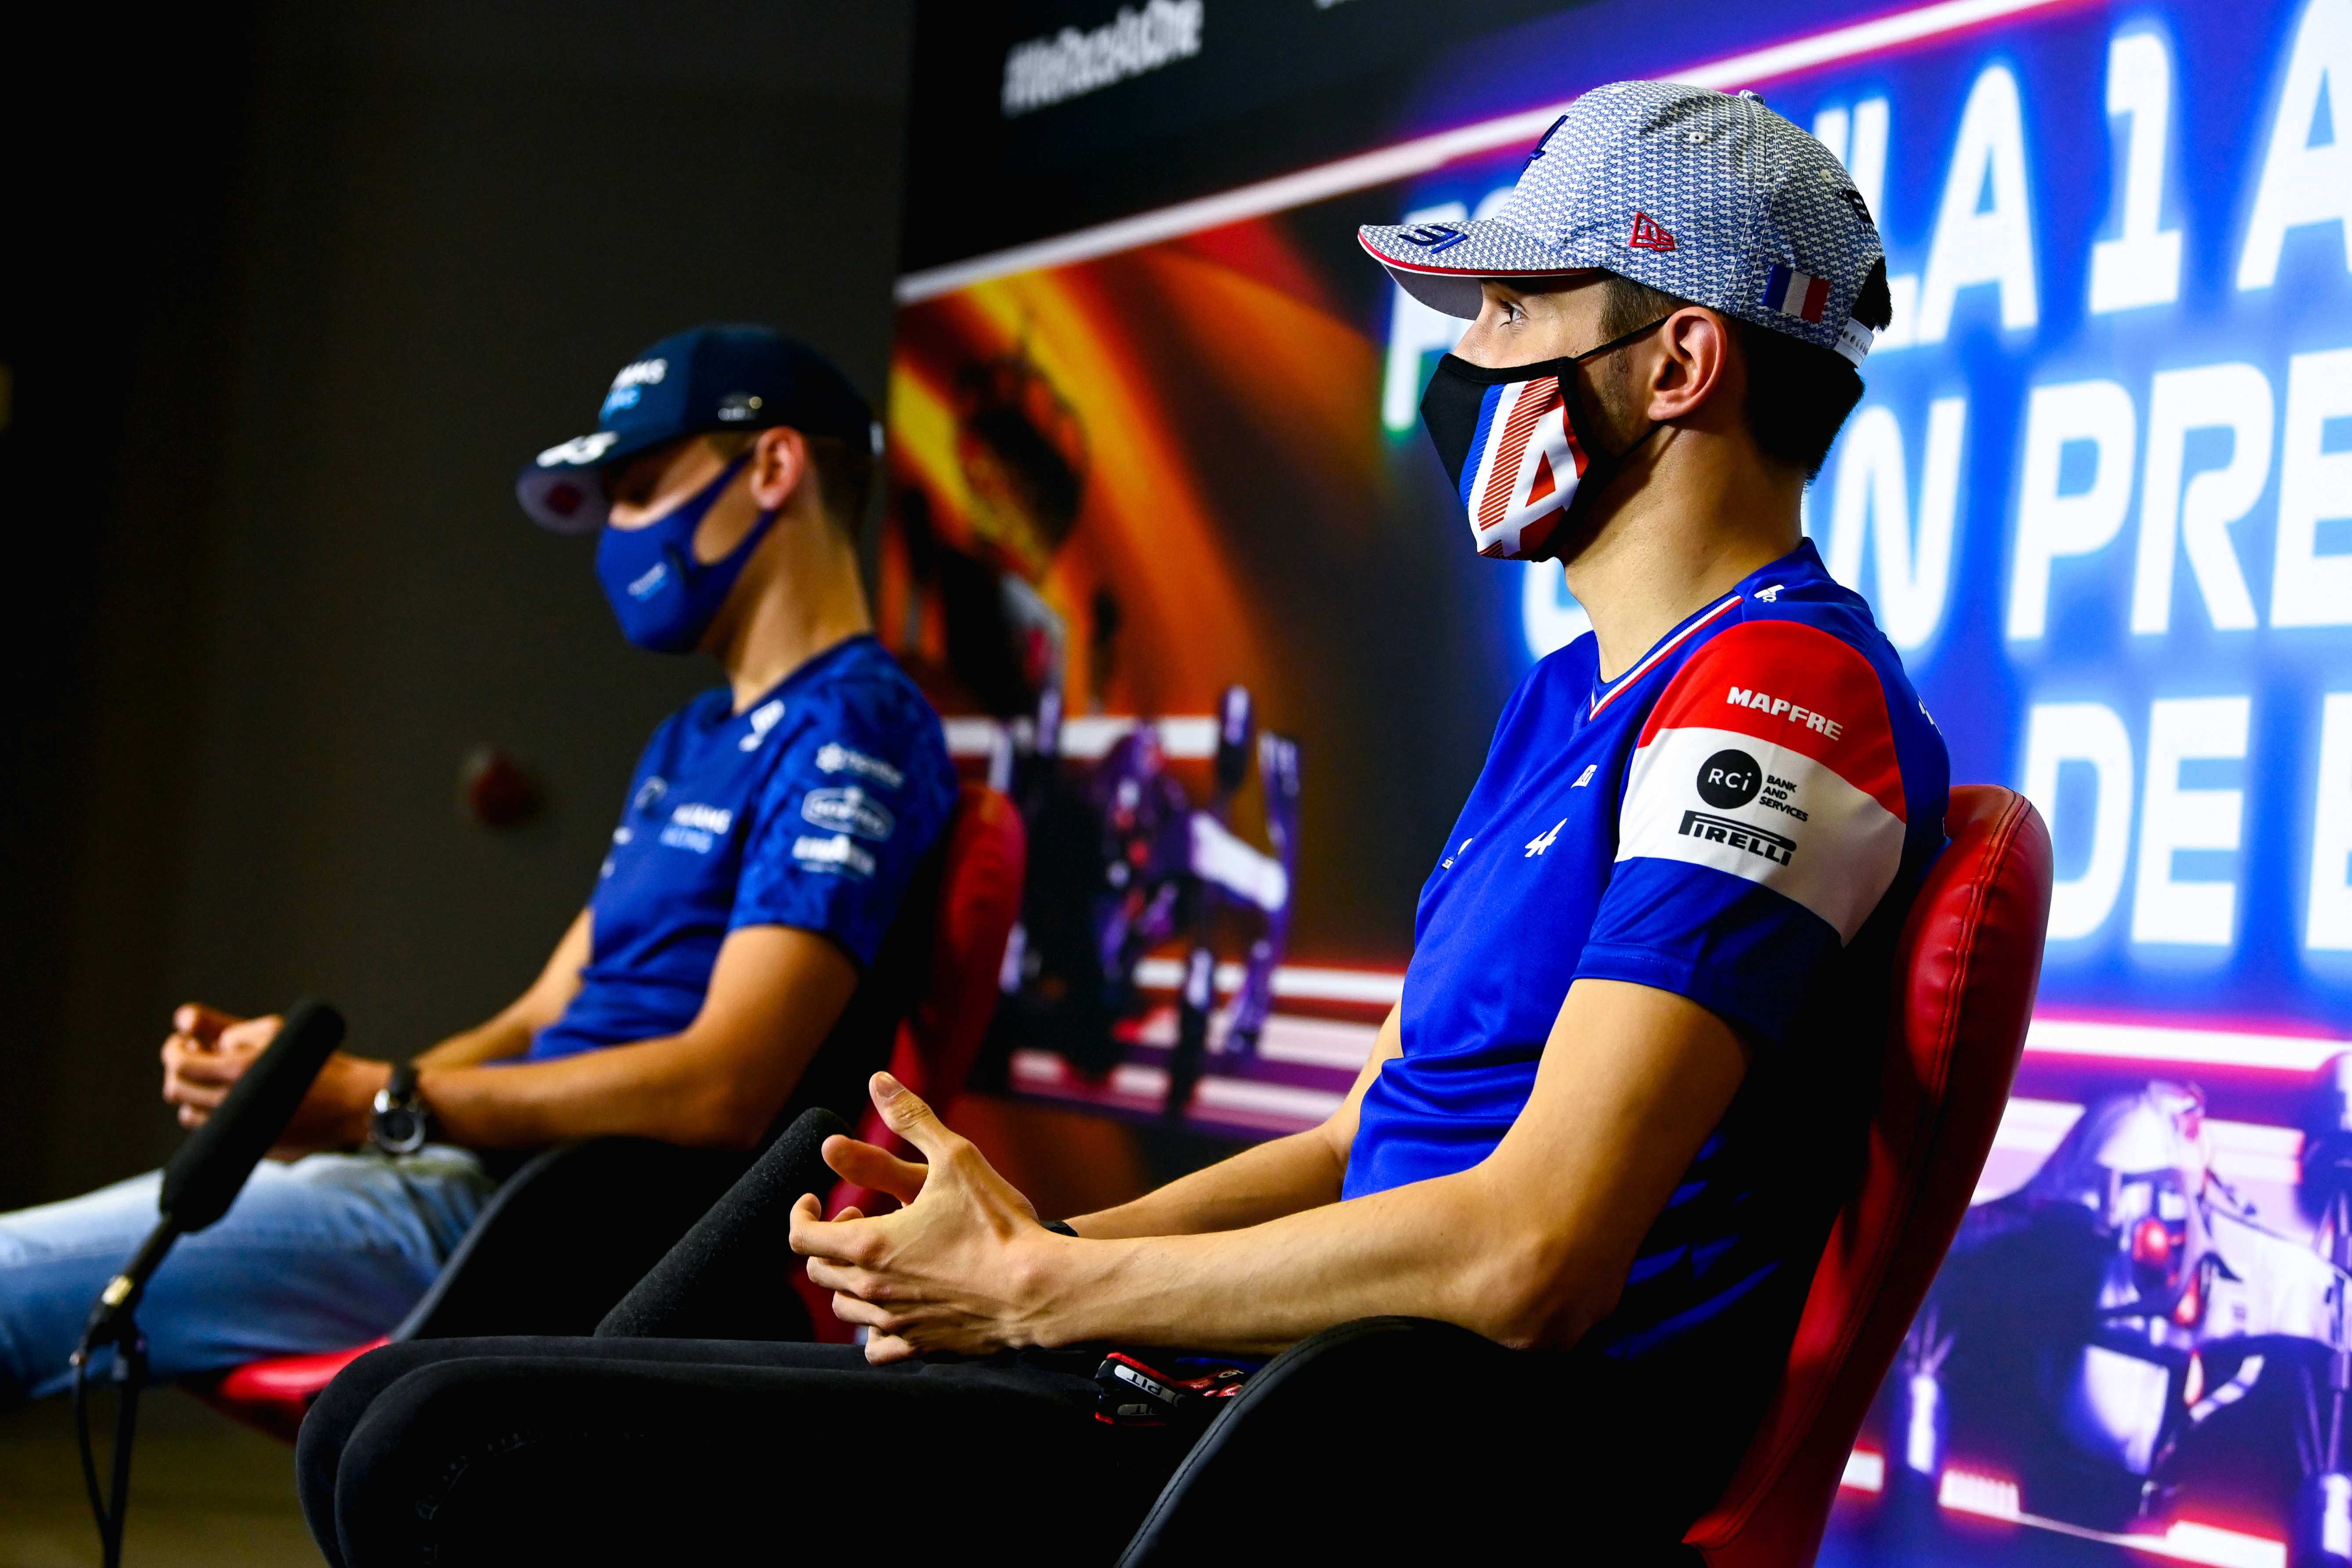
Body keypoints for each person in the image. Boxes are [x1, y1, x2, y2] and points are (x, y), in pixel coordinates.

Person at [297, 83, 1943, 1566]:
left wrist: (1048, 1292)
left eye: (1515, 307)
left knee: (448, 1450)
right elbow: (1357, 1143)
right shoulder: (1575, 693)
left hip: (1413, 1446)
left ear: (1677, 362)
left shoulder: (1775, 695)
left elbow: (1532, 1254)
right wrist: (1023, 1242)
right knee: (383, 1411)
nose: (1469, 362)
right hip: (1299, 1382)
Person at [0, 325, 957, 1402]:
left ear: (773, 467)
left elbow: (722, 1088)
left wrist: (382, 1104)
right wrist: (338, 1113)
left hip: (563, 1217)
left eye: (638, 490)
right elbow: (541, 1011)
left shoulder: (854, 726)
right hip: (475, 1181)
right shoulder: (690, 738)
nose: (616, 534)